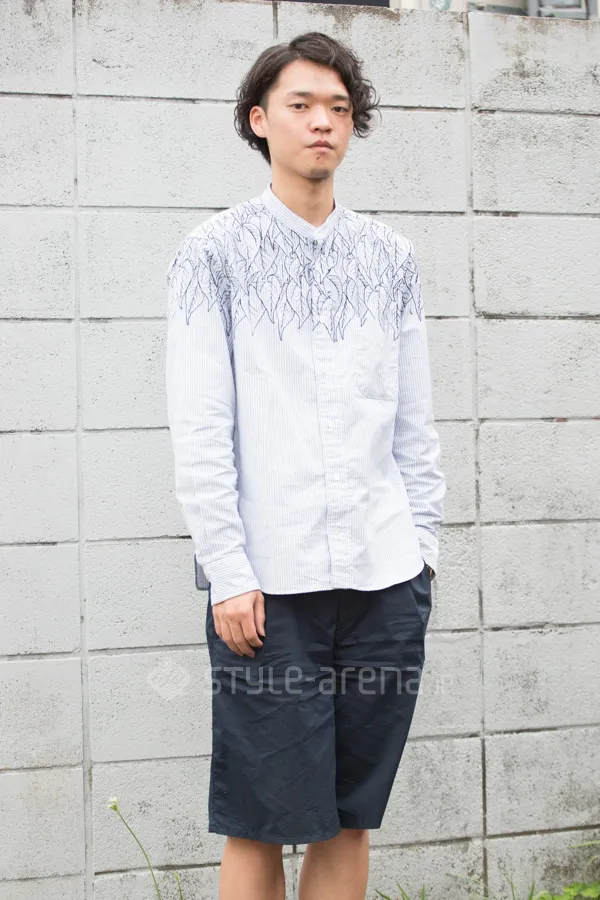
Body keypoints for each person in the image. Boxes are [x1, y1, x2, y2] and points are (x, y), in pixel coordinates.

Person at [165, 30, 446, 900]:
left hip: (384, 579)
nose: (323, 121)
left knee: (351, 814)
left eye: (339, 107)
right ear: (260, 120)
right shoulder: (213, 252)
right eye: (301, 104)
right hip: (266, 592)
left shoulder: (390, 258)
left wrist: (423, 554)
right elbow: (201, 427)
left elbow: (414, 426)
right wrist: (229, 571)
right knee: (259, 818)